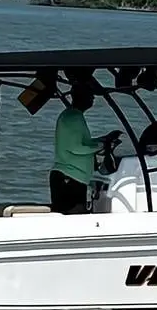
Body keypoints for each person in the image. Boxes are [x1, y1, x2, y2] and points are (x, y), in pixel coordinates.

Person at [49, 85, 119, 214]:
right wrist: (102, 146)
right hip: (70, 177)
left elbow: (82, 143)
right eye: (90, 95)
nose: (93, 98)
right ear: (81, 97)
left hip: (71, 177)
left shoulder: (72, 115)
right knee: (73, 218)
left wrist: (103, 140)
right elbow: (77, 148)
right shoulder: (74, 117)